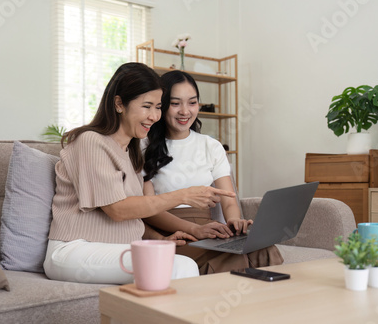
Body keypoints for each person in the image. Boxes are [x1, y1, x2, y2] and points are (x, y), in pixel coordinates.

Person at [43, 63, 236, 284]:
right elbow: (117, 209)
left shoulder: (131, 151)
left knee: (176, 262)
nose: (154, 116)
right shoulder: (91, 142)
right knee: (178, 266)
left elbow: (134, 218)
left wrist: (161, 239)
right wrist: (183, 195)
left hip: (119, 247)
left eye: (158, 107)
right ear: (119, 104)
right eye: (147, 106)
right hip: (73, 250)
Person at [143, 70, 283, 274]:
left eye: (192, 102)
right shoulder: (144, 146)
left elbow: (228, 199)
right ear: (162, 105)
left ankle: (270, 305)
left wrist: (234, 221)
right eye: (175, 103)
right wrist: (195, 229)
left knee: (265, 249)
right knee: (228, 256)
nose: (185, 111)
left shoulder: (211, 146)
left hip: (207, 227)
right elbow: (148, 210)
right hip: (172, 231)